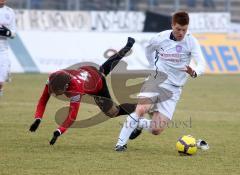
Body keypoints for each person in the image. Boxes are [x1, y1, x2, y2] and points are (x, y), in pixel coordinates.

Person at [115, 11, 206, 151]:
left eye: (184, 29)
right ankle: (120, 144)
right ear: (172, 25)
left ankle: (139, 124)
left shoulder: (191, 41)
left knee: (156, 130)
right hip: (156, 79)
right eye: (178, 29)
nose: (181, 32)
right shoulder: (160, 38)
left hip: (174, 88)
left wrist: (194, 72)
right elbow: (148, 50)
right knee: (141, 108)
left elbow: (202, 64)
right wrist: (153, 66)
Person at [29, 37, 136, 145]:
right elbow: (43, 100)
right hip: (87, 70)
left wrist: (59, 131)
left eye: (57, 91)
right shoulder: (53, 78)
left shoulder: (76, 90)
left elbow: (72, 116)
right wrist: (38, 119)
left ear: (66, 86)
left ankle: (138, 106)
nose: (54, 93)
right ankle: (127, 47)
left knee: (113, 112)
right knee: (105, 67)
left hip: (98, 83)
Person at [0, 0, 16, 96]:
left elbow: (13, 33)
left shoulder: (10, 12)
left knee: (2, 78)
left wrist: (7, 32)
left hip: (2, 48)